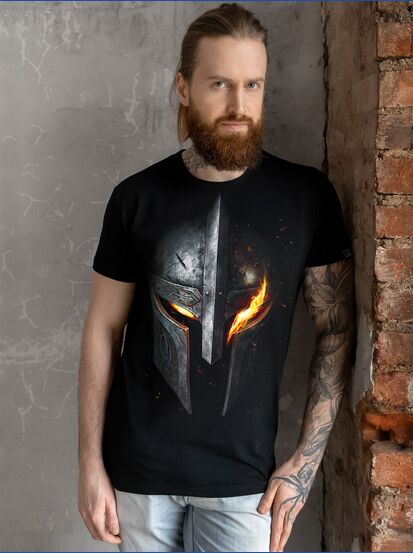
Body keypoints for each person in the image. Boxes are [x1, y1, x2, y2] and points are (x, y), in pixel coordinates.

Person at [77, 3, 355, 552]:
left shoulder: (306, 197)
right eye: (220, 84)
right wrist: (89, 463)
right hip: (138, 477)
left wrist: (304, 463)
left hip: (245, 482)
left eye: (253, 85)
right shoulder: (136, 198)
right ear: (184, 87)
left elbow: (338, 327)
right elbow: (103, 330)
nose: (238, 106)